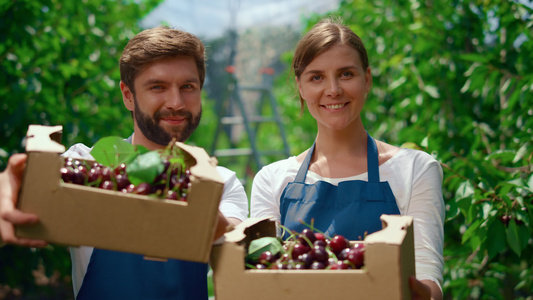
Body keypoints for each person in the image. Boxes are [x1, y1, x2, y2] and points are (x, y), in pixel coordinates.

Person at [0, 26, 249, 300]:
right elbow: (18, 202)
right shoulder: (88, 166)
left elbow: (239, 260)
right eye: (158, 87)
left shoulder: (220, 183)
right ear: (128, 95)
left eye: (188, 87)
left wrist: (196, 202)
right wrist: (8, 186)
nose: (176, 102)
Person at [250, 18, 444, 299]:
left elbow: (430, 283)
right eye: (316, 77)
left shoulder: (416, 169)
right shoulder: (272, 180)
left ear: (367, 79)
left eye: (346, 74)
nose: (333, 90)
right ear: (300, 88)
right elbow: (261, 280)